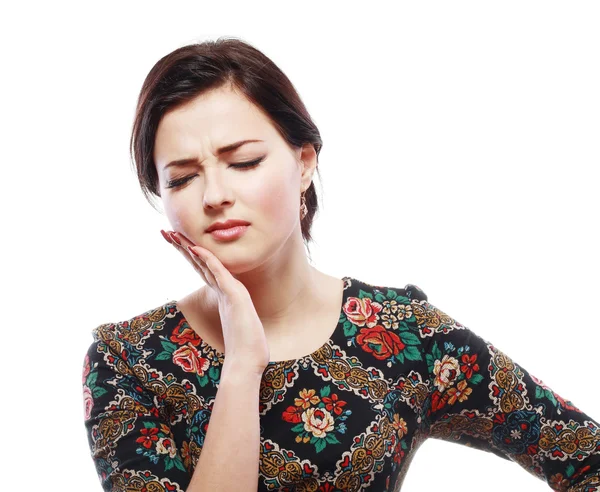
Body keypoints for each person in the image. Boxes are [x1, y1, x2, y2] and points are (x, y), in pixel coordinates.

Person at [81, 37, 600, 492]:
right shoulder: (126, 360)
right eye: (181, 178)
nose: (215, 195)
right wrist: (241, 365)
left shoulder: (402, 332)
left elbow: (586, 459)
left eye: (243, 162)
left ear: (304, 162)